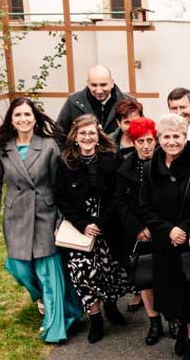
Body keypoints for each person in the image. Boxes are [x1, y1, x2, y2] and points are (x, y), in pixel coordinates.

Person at [0, 97, 82, 343]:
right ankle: (43, 298)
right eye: (18, 115)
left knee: (48, 272)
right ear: (11, 120)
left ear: (35, 118)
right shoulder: (2, 148)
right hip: (16, 217)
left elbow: (60, 186)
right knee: (20, 269)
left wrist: (60, 220)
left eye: (27, 114)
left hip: (45, 215)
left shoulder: (48, 146)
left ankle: (54, 326)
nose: (23, 119)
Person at [139, 113, 190, 360]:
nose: (172, 142)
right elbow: (145, 206)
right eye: (166, 137)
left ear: (185, 137)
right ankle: (182, 330)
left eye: (177, 136)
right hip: (164, 243)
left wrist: (183, 229)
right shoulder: (150, 167)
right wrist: (168, 230)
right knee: (172, 294)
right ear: (158, 139)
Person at [54, 115, 132, 343]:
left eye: (91, 133)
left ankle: (111, 307)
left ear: (98, 136)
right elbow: (60, 197)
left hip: (107, 224)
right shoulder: (64, 161)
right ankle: (95, 319)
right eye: (83, 133)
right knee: (82, 273)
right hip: (79, 227)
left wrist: (101, 222)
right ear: (75, 137)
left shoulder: (111, 158)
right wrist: (83, 224)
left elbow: (118, 193)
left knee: (110, 270)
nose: (87, 137)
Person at [113, 117, 165, 343]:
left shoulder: (166, 162)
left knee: (167, 275)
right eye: (140, 141)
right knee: (145, 278)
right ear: (133, 143)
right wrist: (138, 228)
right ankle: (154, 321)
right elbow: (120, 203)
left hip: (163, 229)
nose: (146, 146)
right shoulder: (125, 169)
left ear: (156, 141)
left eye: (149, 140)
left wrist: (159, 226)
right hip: (139, 233)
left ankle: (173, 318)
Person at [56, 65, 136, 134]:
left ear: (112, 83)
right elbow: (58, 133)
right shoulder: (73, 102)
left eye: (103, 85)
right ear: (88, 83)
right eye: (94, 85)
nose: (99, 90)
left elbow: (139, 132)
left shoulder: (129, 102)